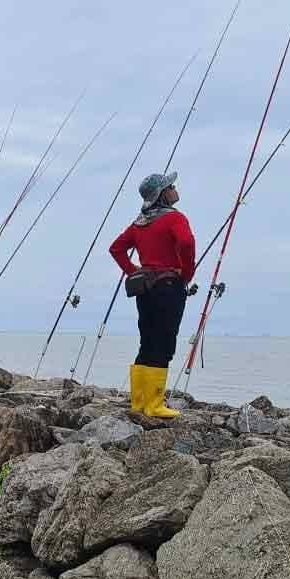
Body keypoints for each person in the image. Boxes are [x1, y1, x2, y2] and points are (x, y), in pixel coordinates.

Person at [109, 171, 196, 418]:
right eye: (171, 186)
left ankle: (139, 402)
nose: (175, 188)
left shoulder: (140, 221)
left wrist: (134, 271)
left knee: (147, 341)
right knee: (164, 342)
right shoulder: (175, 218)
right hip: (169, 286)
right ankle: (155, 405)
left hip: (145, 288)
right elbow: (187, 244)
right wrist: (186, 273)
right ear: (163, 194)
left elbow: (116, 249)